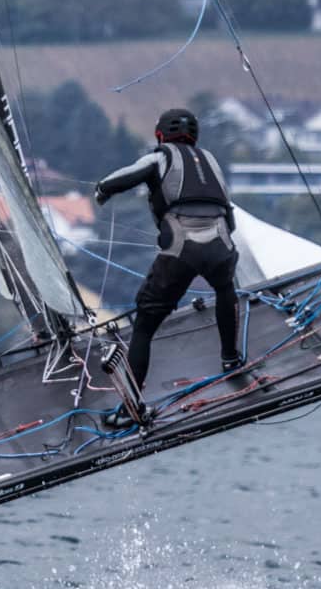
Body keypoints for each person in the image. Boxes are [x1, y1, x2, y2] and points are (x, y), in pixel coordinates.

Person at [93, 107, 243, 389]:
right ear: (194, 136)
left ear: (160, 134)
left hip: (181, 247)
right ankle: (231, 359)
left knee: (145, 321)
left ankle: (133, 397)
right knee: (225, 290)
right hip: (221, 241)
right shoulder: (210, 161)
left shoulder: (160, 156)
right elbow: (228, 213)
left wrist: (102, 190)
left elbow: (124, 177)